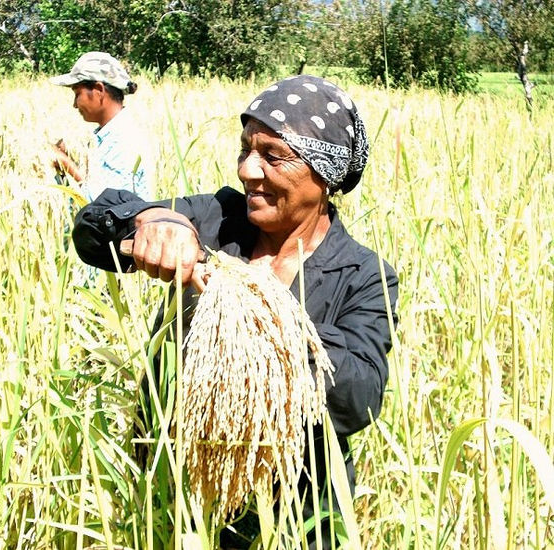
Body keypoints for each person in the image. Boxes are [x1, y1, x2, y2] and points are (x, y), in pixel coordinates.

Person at [72, 74, 398, 549]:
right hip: (176, 498)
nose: (248, 170)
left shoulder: (364, 274)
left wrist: (251, 302)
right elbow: (91, 231)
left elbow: (358, 397)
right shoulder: (217, 218)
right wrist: (156, 220)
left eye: (272, 155)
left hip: (295, 517)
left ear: (324, 173)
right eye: (246, 149)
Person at [50, 51, 155, 201]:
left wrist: (68, 166)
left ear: (99, 91)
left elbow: (111, 207)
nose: (74, 105)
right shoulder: (108, 136)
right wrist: (63, 169)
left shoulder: (124, 140)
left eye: (77, 94)